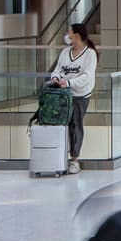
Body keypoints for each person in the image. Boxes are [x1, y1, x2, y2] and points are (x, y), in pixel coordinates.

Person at [49, 21, 98, 173]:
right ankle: (58, 156)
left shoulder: (90, 54)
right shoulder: (65, 53)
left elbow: (87, 77)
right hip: (62, 95)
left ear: (76, 35)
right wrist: (56, 78)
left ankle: (74, 159)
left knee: (75, 125)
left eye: (69, 33)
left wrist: (69, 82)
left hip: (80, 96)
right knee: (59, 124)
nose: (67, 36)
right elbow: (57, 69)